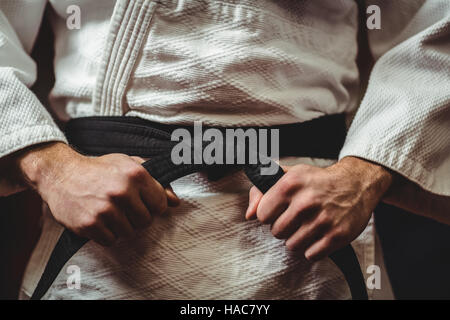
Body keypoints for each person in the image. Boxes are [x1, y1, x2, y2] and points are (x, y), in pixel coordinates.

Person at [0, 0, 448, 299]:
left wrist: (364, 174)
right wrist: (51, 168)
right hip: (105, 213)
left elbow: (434, 22)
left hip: (310, 216)